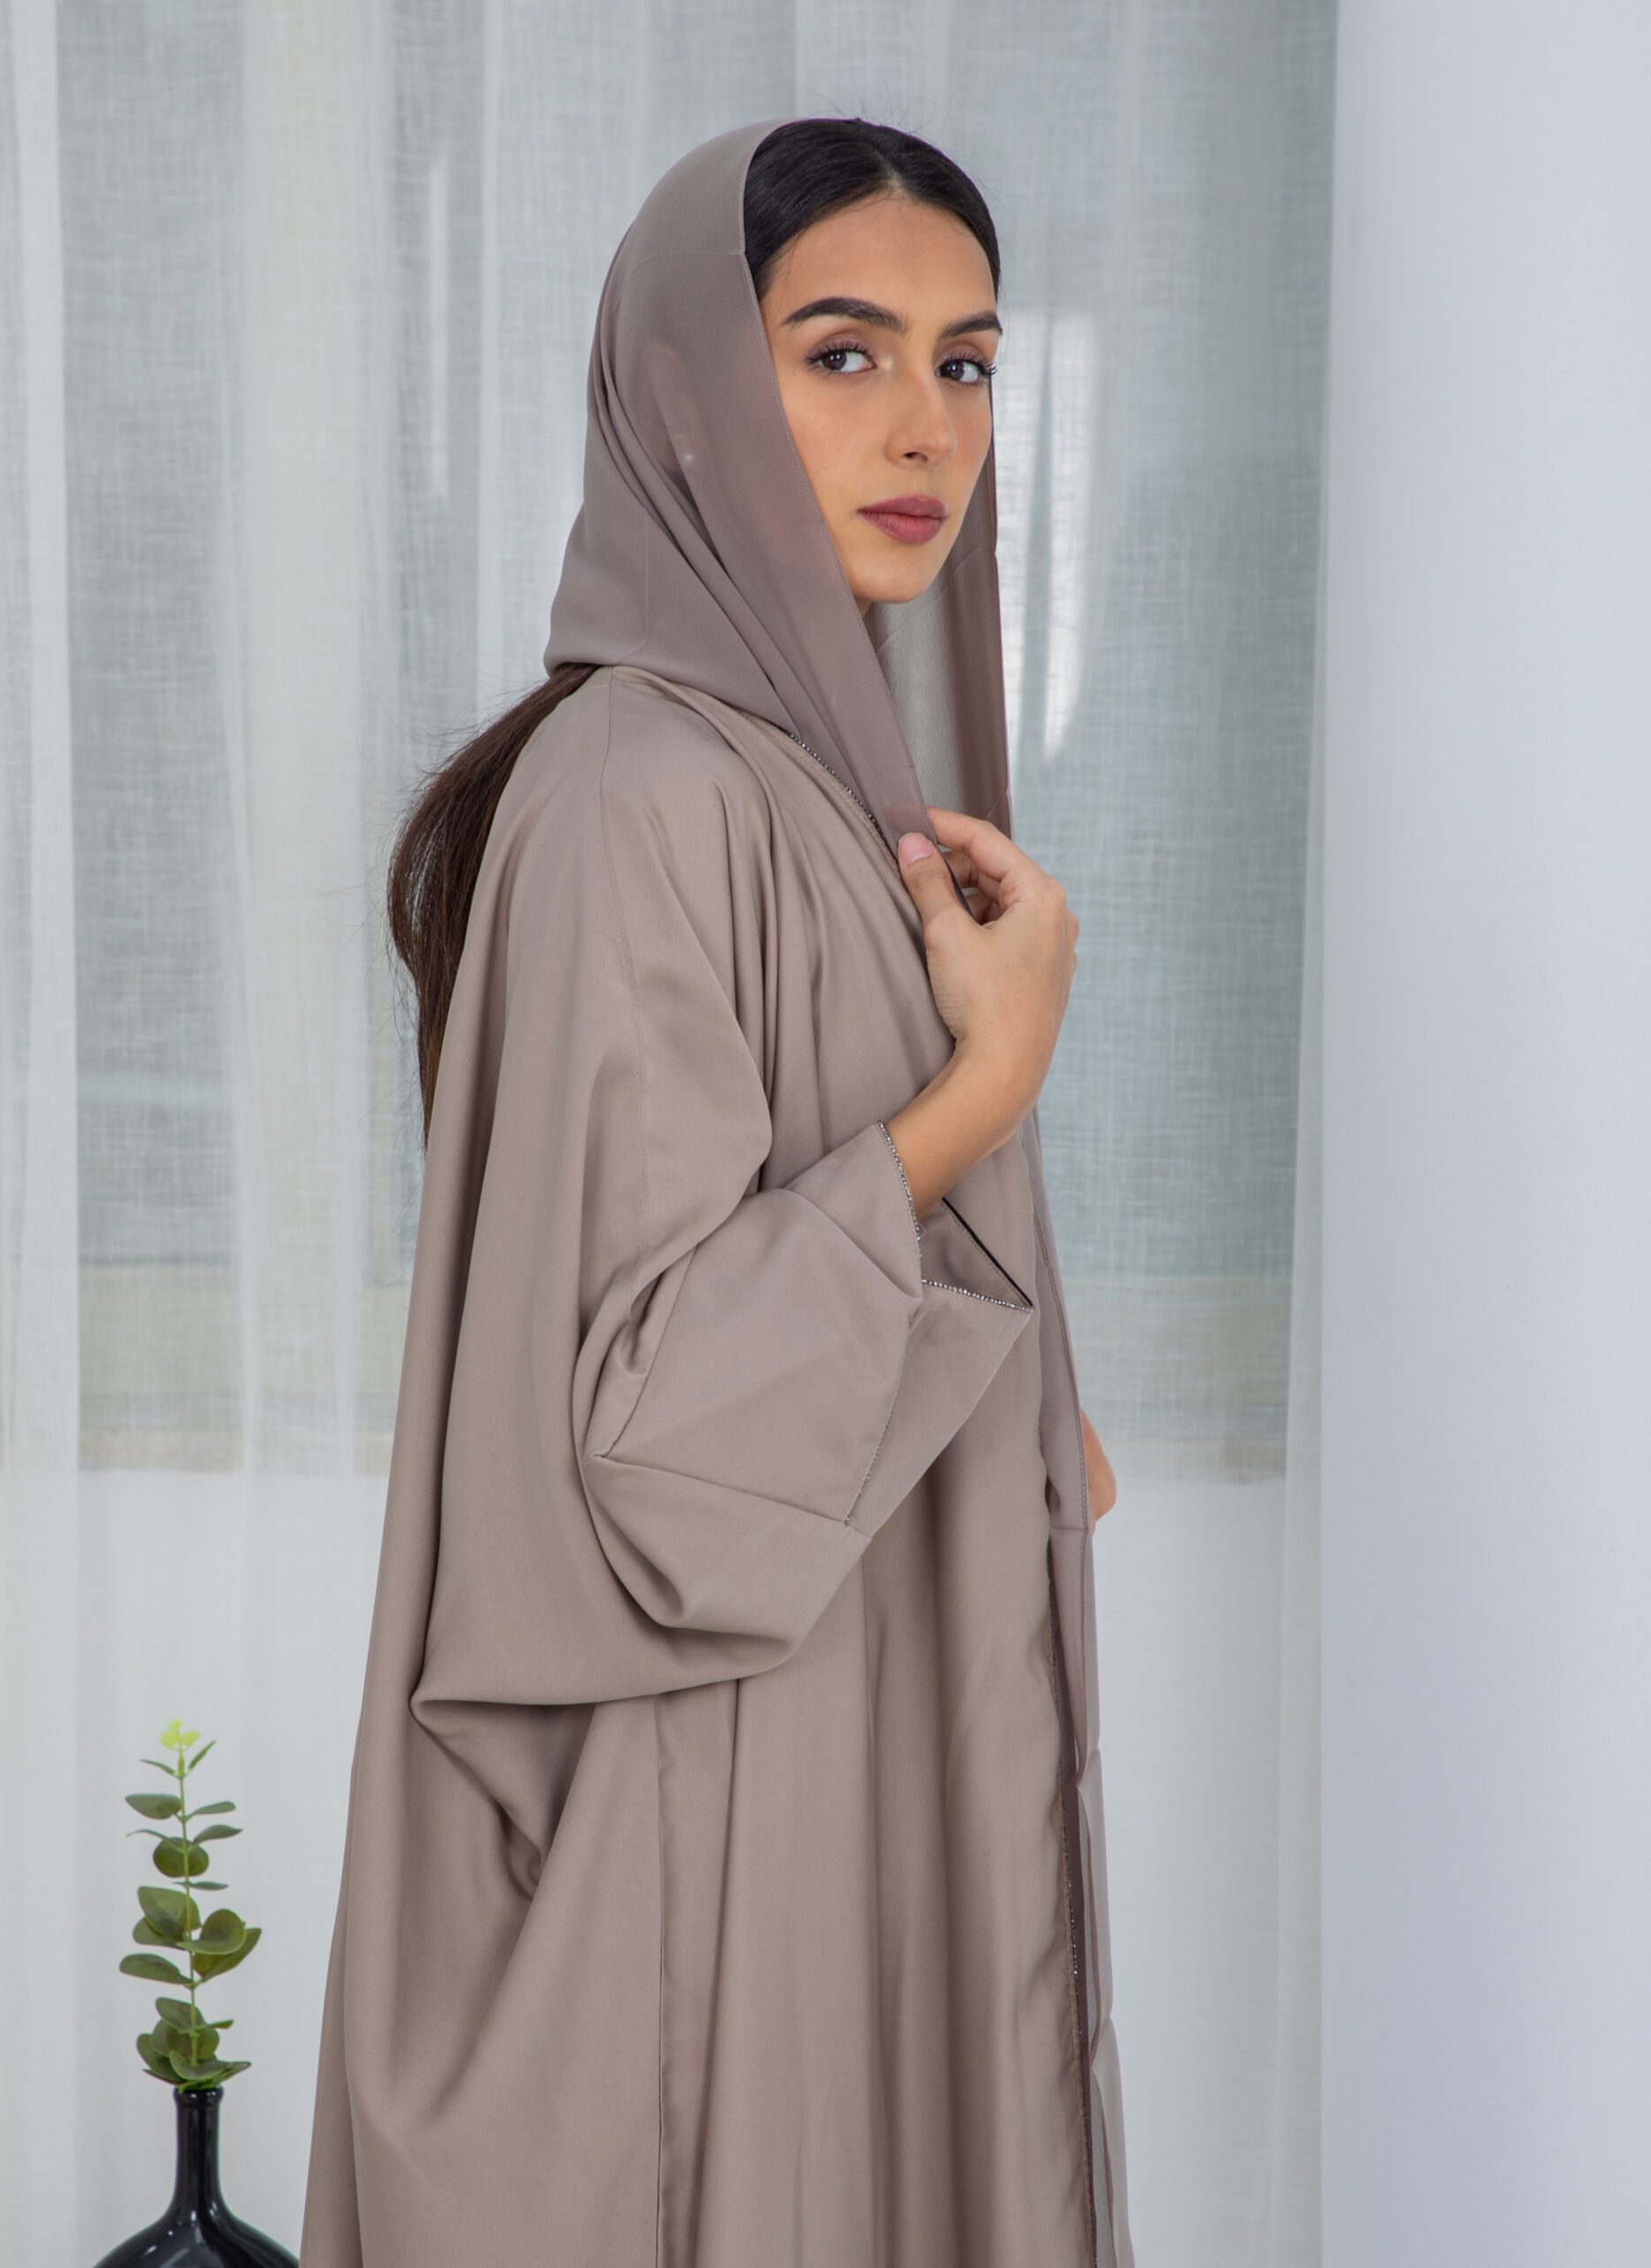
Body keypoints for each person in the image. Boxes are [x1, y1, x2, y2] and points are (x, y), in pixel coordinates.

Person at [299, 116, 1133, 2268]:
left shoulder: (814, 792)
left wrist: (1019, 1409)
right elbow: (648, 1424)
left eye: (965, 363)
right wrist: (988, 1083)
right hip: (705, 1830)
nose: (925, 427)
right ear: (682, 396)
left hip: (824, 1767)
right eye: (843, 352)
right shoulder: (649, 789)